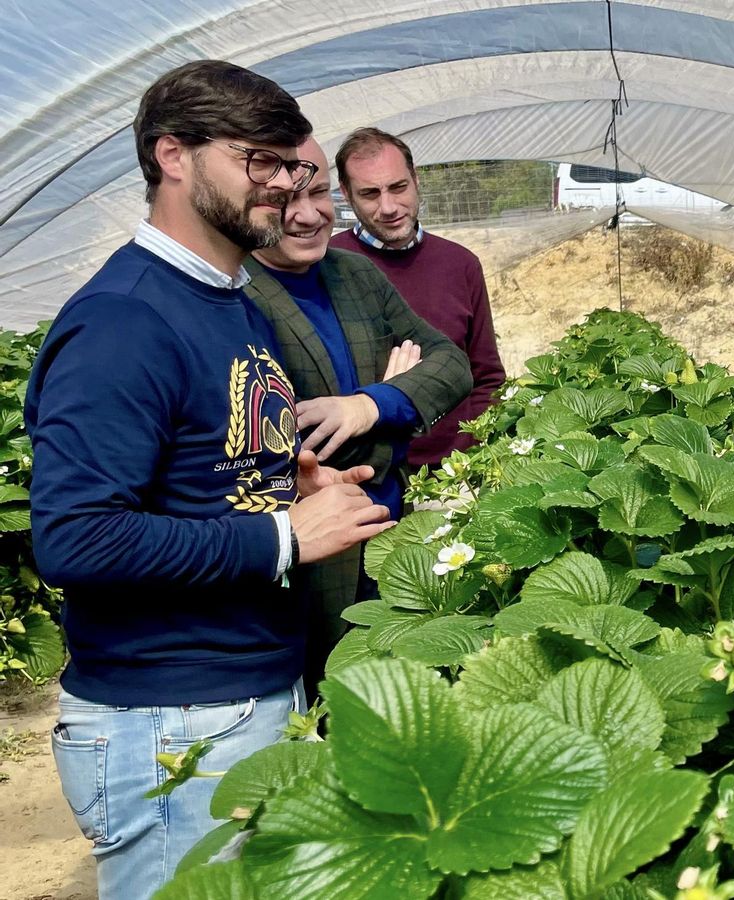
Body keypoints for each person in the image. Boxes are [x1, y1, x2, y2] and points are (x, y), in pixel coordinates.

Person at [25, 61, 394, 899]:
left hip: (240, 698)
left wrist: (286, 486)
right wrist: (282, 536)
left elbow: (200, 472)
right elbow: (77, 538)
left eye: (290, 164)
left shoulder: (228, 300)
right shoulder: (124, 319)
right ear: (173, 156)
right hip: (170, 723)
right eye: (256, 160)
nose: (283, 185)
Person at [245, 137, 472, 694]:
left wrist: (372, 404)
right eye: (285, 201)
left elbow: (452, 363)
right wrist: (399, 412)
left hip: (392, 530)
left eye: (319, 193)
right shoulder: (240, 293)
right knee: (325, 699)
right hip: (311, 551)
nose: (307, 215)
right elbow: (292, 446)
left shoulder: (354, 275)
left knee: (403, 693)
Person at [328, 127, 505, 469]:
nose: (388, 207)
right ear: (346, 195)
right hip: (367, 474)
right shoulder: (327, 265)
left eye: (398, 187)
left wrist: (473, 451)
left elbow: (487, 376)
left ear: (416, 179)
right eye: (369, 193)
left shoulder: (460, 264)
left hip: (456, 473)